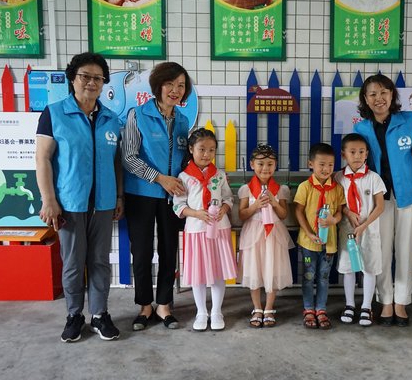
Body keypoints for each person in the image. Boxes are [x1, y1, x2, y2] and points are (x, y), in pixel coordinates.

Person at [35, 52, 122, 342]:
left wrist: (119, 197)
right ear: (72, 78)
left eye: (98, 78)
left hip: (103, 203)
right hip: (69, 204)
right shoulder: (54, 113)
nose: (92, 83)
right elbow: (43, 159)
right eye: (85, 76)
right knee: (73, 263)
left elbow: (116, 162)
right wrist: (49, 199)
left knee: (99, 262)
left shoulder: (111, 119)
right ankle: (74, 315)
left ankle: (99, 315)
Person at [354, 74, 412, 326]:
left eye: (384, 92)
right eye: (373, 94)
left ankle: (401, 302)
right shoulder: (361, 129)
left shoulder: (409, 121)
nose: (379, 98)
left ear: (392, 95)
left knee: (406, 250)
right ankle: (386, 301)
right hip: (378, 200)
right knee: (382, 251)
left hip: (409, 196)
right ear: (366, 99)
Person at [121, 62, 191, 331]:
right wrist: (160, 178)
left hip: (173, 197)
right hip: (141, 194)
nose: (175, 90)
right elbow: (128, 157)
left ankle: (164, 305)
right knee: (141, 252)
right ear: (158, 86)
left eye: (181, 85)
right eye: (169, 84)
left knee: (169, 250)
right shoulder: (137, 115)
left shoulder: (182, 121)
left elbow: (184, 160)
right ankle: (144, 306)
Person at [172, 128, 237, 331]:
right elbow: (178, 205)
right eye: (202, 149)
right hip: (196, 231)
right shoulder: (184, 177)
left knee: (218, 272)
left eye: (211, 150)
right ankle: (201, 312)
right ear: (191, 149)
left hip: (219, 230)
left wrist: (224, 208)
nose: (207, 154)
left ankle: (216, 311)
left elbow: (228, 197)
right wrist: (196, 213)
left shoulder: (219, 175)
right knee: (198, 274)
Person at [238, 144, 295, 328]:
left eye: (270, 164)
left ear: (275, 165)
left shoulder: (281, 189)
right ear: (252, 164)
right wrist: (256, 205)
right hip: (253, 233)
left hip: (274, 235)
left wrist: (274, 202)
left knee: (273, 268)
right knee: (254, 269)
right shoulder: (246, 189)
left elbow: (283, 214)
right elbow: (242, 215)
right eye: (260, 164)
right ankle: (257, 308)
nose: (265, 168)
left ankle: (269, 308)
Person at [335, 133, 386, 326]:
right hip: (347, 231)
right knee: (348, 268)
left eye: (361, 152)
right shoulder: (338, 177)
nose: (357, 156)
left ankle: (366, 306)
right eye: (352, 152)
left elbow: (380, 206)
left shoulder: (374, 178)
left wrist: (365, 225)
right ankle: (349, 304)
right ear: (343, 154)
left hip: (369, 231)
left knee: (369, 268)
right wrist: (348, 212)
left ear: (367, 154)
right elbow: (338, 203)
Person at [294, 143, 345, 330]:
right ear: (311, 164)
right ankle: (308, 309)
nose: (326, 169)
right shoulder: (305, 187)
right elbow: (298, 211)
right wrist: (308, 232)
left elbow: (339, 212)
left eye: (330, 165)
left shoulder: (337, 189)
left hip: (329, 244)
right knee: (308, 276)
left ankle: (321, 309)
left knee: (324, 277)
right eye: (321, 164)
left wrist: (334, 220)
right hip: (309, 243)